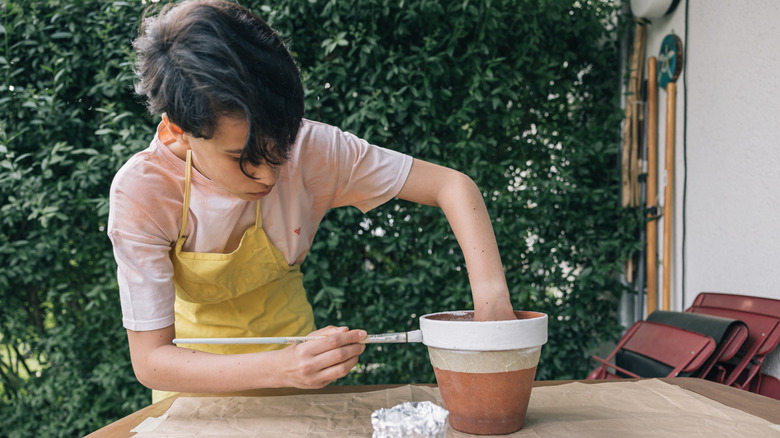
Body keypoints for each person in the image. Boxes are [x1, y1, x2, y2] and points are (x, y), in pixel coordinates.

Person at [108, 0, 515, 402]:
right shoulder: (143, 192)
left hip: (299, 392)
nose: (269, 175)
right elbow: (152, 361)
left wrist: (492, 303)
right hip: (193, 394)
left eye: (280, 146)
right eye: (242, 158)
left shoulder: (313, 148)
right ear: (176, 132)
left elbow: (452, 186)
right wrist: (282, 365)